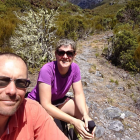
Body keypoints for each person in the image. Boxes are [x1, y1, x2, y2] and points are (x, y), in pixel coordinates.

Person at [28, 39, 96, 139]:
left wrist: (86, 115)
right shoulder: (47, 70)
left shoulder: (75, 68)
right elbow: (45, 105)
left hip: (56, 101)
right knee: (48, 121)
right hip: (38, 104)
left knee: (83, 109)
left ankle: (75, 133)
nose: (65, 56)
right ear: (56, 54)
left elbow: (79, 94)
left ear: (74, 55)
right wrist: (73, 120)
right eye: (61, 53)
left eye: (69, 53)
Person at [0, 53, 68, 140]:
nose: (12, 91)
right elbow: (46, 103)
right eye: (2, 81)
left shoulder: (32, 111)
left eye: (20, 83)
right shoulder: (47, 69)